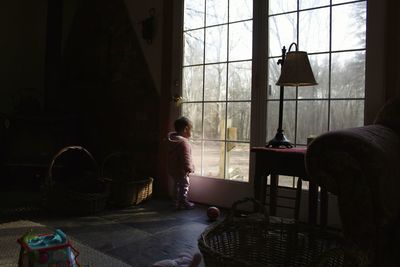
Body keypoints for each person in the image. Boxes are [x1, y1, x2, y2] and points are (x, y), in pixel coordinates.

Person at [167, 116, 195, 209]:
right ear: (186, 129)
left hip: (172, 167)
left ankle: (175, 201)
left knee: (177, 185)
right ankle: (183, 201)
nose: (191, 133)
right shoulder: (183, 142)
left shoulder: (172, 140)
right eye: (191, 130)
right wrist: (188, 168)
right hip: (181, 169)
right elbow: (185, 157)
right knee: (184, 185)